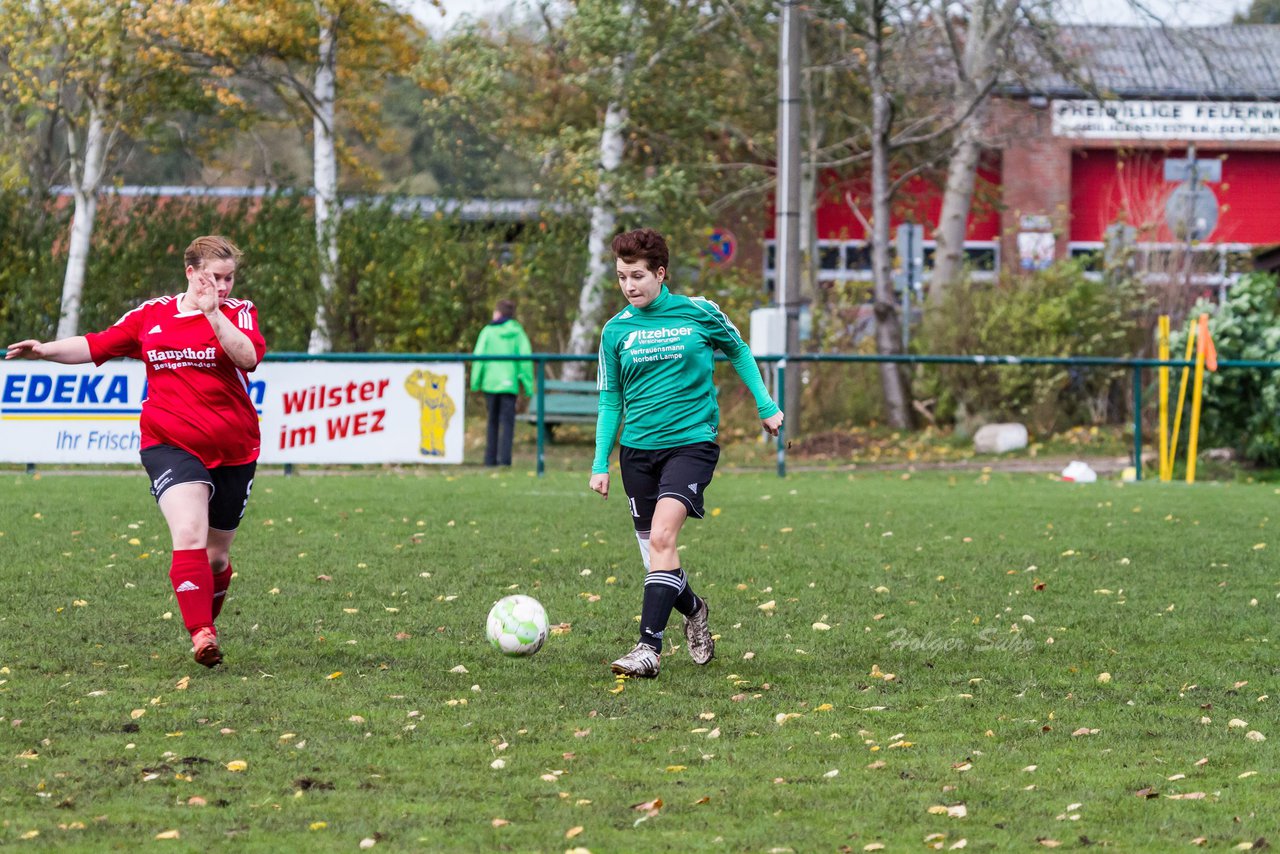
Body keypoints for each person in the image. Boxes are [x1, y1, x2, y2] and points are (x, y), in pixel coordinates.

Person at [6, 236, 266, 669]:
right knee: (188, 534)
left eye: (229, 278)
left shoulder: (239, 312)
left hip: (235, 446)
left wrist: (213, 312)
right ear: (190, 272)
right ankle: (201, 633)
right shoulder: (152, 316)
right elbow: (97, 344)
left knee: (216, 556)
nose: (222, 285)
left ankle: (205, 618)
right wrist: (45, 351)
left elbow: (248, 358)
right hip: (169, 443)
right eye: (214, 278)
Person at [589, 228, 784, 678]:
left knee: (662, 539)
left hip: (691, 444)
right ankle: (694, 609)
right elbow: (609, 399)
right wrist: (600, 463)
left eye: (637, 275)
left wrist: (766, 404)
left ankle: (647, 649)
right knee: (658, 556)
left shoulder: (698, 312)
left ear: (661, 273)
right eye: (621, 277)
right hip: (636, 453)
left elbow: (737, 349)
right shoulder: (615, 330)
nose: (629, 285)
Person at [470, 298, 534, 467]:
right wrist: (528, 386)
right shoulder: (517, 332)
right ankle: (505, 460)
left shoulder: (488, 331)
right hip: (509, 384)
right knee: (507, 423)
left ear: (498, 313)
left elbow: (479, 357)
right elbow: (525, 360)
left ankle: (489, 460)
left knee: (492, 421)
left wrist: (475, 382)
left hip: (490, 383)